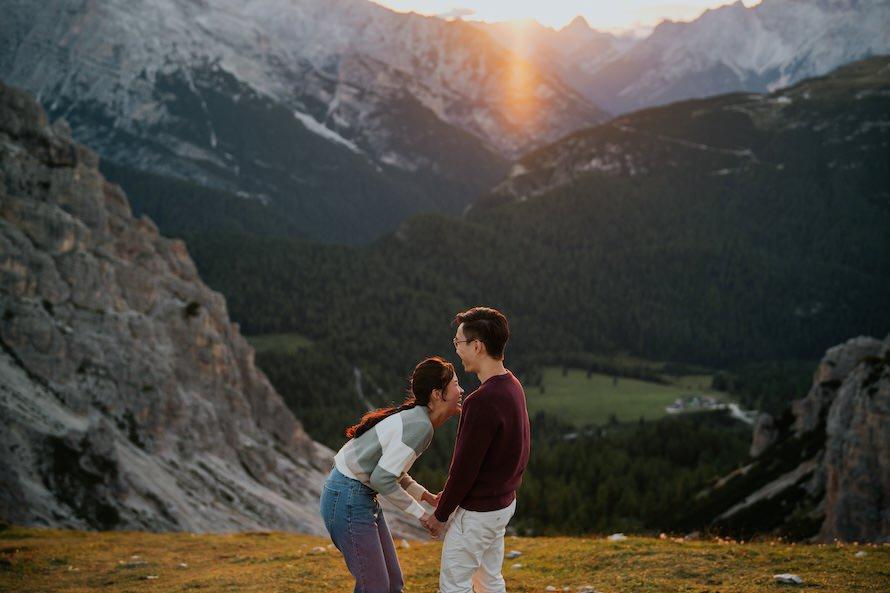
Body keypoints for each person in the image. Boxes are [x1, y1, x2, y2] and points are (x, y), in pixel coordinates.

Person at [320, 356, 463, 593]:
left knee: (392, 584)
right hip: (348, 497)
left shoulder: (417, 418)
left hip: (353, 495)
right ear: (438, 394)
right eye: (456, 384)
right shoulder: (420, 426)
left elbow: (391, 471)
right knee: (375, 586)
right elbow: (381, 479)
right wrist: (421, 515)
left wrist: (425, 496)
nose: (461, 390)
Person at [421, 306, 531, 593]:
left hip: (477, 513)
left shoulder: (481, 401)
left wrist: (440, 515)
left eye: (458, 343)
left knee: (454, 584)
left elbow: (464, 469)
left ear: (477, 346)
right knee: (488, 580)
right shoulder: (512, 385)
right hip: (502, 504)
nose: (456, 350)